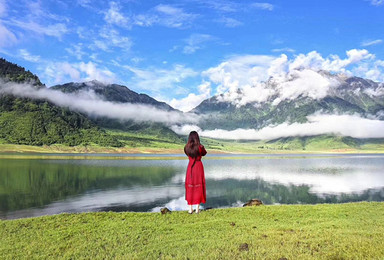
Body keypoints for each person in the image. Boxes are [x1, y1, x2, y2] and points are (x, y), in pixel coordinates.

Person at [184, 131, 207, 214]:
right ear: (197, 138)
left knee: (190, 187)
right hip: (198, 167)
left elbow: (187, 153)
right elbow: (204, 153)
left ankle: (190, 209)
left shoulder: (186, 147)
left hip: (190, 168)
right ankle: (197, 209)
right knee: (199, 186)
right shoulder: (200, 147)